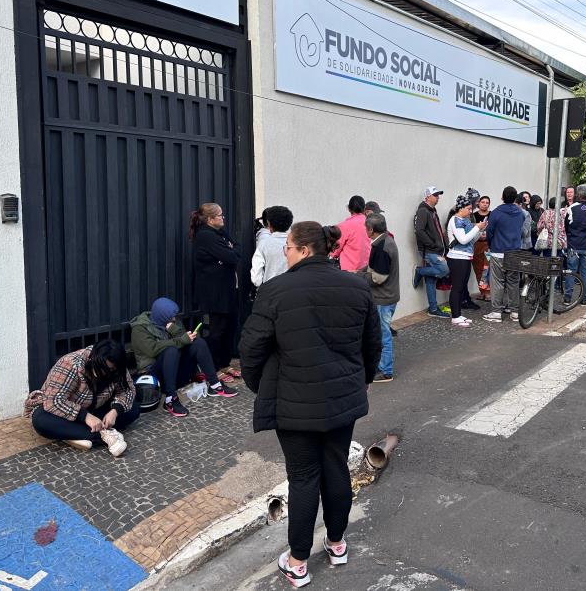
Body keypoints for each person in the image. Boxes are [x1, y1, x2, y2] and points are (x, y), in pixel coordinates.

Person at [239, 221, 382, 588]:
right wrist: (361, 382)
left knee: (303, 477)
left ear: (304, 249)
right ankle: (336, 544)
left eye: (287, 247)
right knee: (335, 469)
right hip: (342, 398)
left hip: (293, 401)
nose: (284, 253)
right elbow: (372, 344)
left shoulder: (274, 291)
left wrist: (261, 386)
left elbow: (251, 349)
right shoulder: (356, 286)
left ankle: (298, 561)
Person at [24, 339, 138, 457]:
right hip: (63, 411)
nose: (105, 373)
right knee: (41, 420)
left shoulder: (117, 367)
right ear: (93, 360)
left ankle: (73, 434)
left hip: (95, 407)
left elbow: (127, 390)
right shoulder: (71, 363)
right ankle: (104, 435)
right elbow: (53, 401)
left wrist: (115, 411)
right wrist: (85, 416)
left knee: (134, 408)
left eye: (111, 370)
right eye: (103, 368)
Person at [130, 297, 237, 418]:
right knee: (171, 350)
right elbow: (152, 349)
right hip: (155, 376)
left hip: (175, 372)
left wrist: (175, 331)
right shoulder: (140, 328)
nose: (174, 319)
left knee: (198, 343)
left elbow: (184, 340)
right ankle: (170, 399)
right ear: (162, 316)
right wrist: (180, 340)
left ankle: (215, 384)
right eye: (171, 317)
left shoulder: (171, 322)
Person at [190, 203, 241, 379]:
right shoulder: (206, 236)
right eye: (220, 215)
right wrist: (229, 253)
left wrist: (230, 252)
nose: (223, 217)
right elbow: (231, 256)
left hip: (228, 290)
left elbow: (236, 250)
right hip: (215, 293)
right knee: (217, 331)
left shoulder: (219, 233)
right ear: (210, 219)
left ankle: (225, 364)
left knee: (230, 328)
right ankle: (213, 368)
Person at [358, 213, 399, 382]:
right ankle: (380, 366)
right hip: (388, 296)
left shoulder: (382, 247)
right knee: (381, 333)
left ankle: (386, 370)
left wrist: (358, 276)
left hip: (383, 298)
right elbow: (374, 267)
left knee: (383, 335)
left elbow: (378, 278)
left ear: (371, 229)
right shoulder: (385, 240)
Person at [483, 186, 525, 323]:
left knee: (497, 282)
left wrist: (491, 244)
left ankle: (496, 312)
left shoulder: (496, 212)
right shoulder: (520, 213)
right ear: (515, 198)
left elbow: (490, 231)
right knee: (513, 282)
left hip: (498, 251)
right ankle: (514, 312)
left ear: (502, 196)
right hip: (515, 251)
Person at [446, 195, 487, 328]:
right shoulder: (456, 220)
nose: (471, 211)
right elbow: (463, 240)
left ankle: (458, 314)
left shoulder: (465, 220)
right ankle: (455, 316)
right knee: (457, 287)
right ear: (461, 208)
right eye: (469, 209)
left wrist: (480, 230)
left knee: (462, 286)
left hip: (465, 256)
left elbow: (471, 240)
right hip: (457, 257)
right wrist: (476, 228)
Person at [413, 186, 450, 319]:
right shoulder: (423, 211)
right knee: (444, 270)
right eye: (435, 195)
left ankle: (433, 308)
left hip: (435, 249)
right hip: (430, 250)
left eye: (438, 195)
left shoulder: (432, 210)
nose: (437, 197)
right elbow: (419, 231)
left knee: (431, 280)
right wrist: (433, 244)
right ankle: (419, 271)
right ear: (427, 196)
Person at [251, 205, 294, 289]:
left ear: (269, 223)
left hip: (270, 290)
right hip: (292, 289)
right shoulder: (297, 243)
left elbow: (256, 278)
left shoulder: (263, 244)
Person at [331, 196, 370, 272]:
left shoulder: (344, 226)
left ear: (349, 209)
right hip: (366, 269)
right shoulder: (370, 223)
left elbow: (335, 249)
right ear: (364, 208)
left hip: (348, 270)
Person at [471, 195, 492, 301]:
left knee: (486, 268)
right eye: (483, 202)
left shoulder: (492, 215)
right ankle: (482, 291)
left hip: (488, 245)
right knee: (478, 268)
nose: (485, 204)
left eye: (487, 202)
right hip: (476, 244)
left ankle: (488, 292)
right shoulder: (473, 216)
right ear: (478, 203)